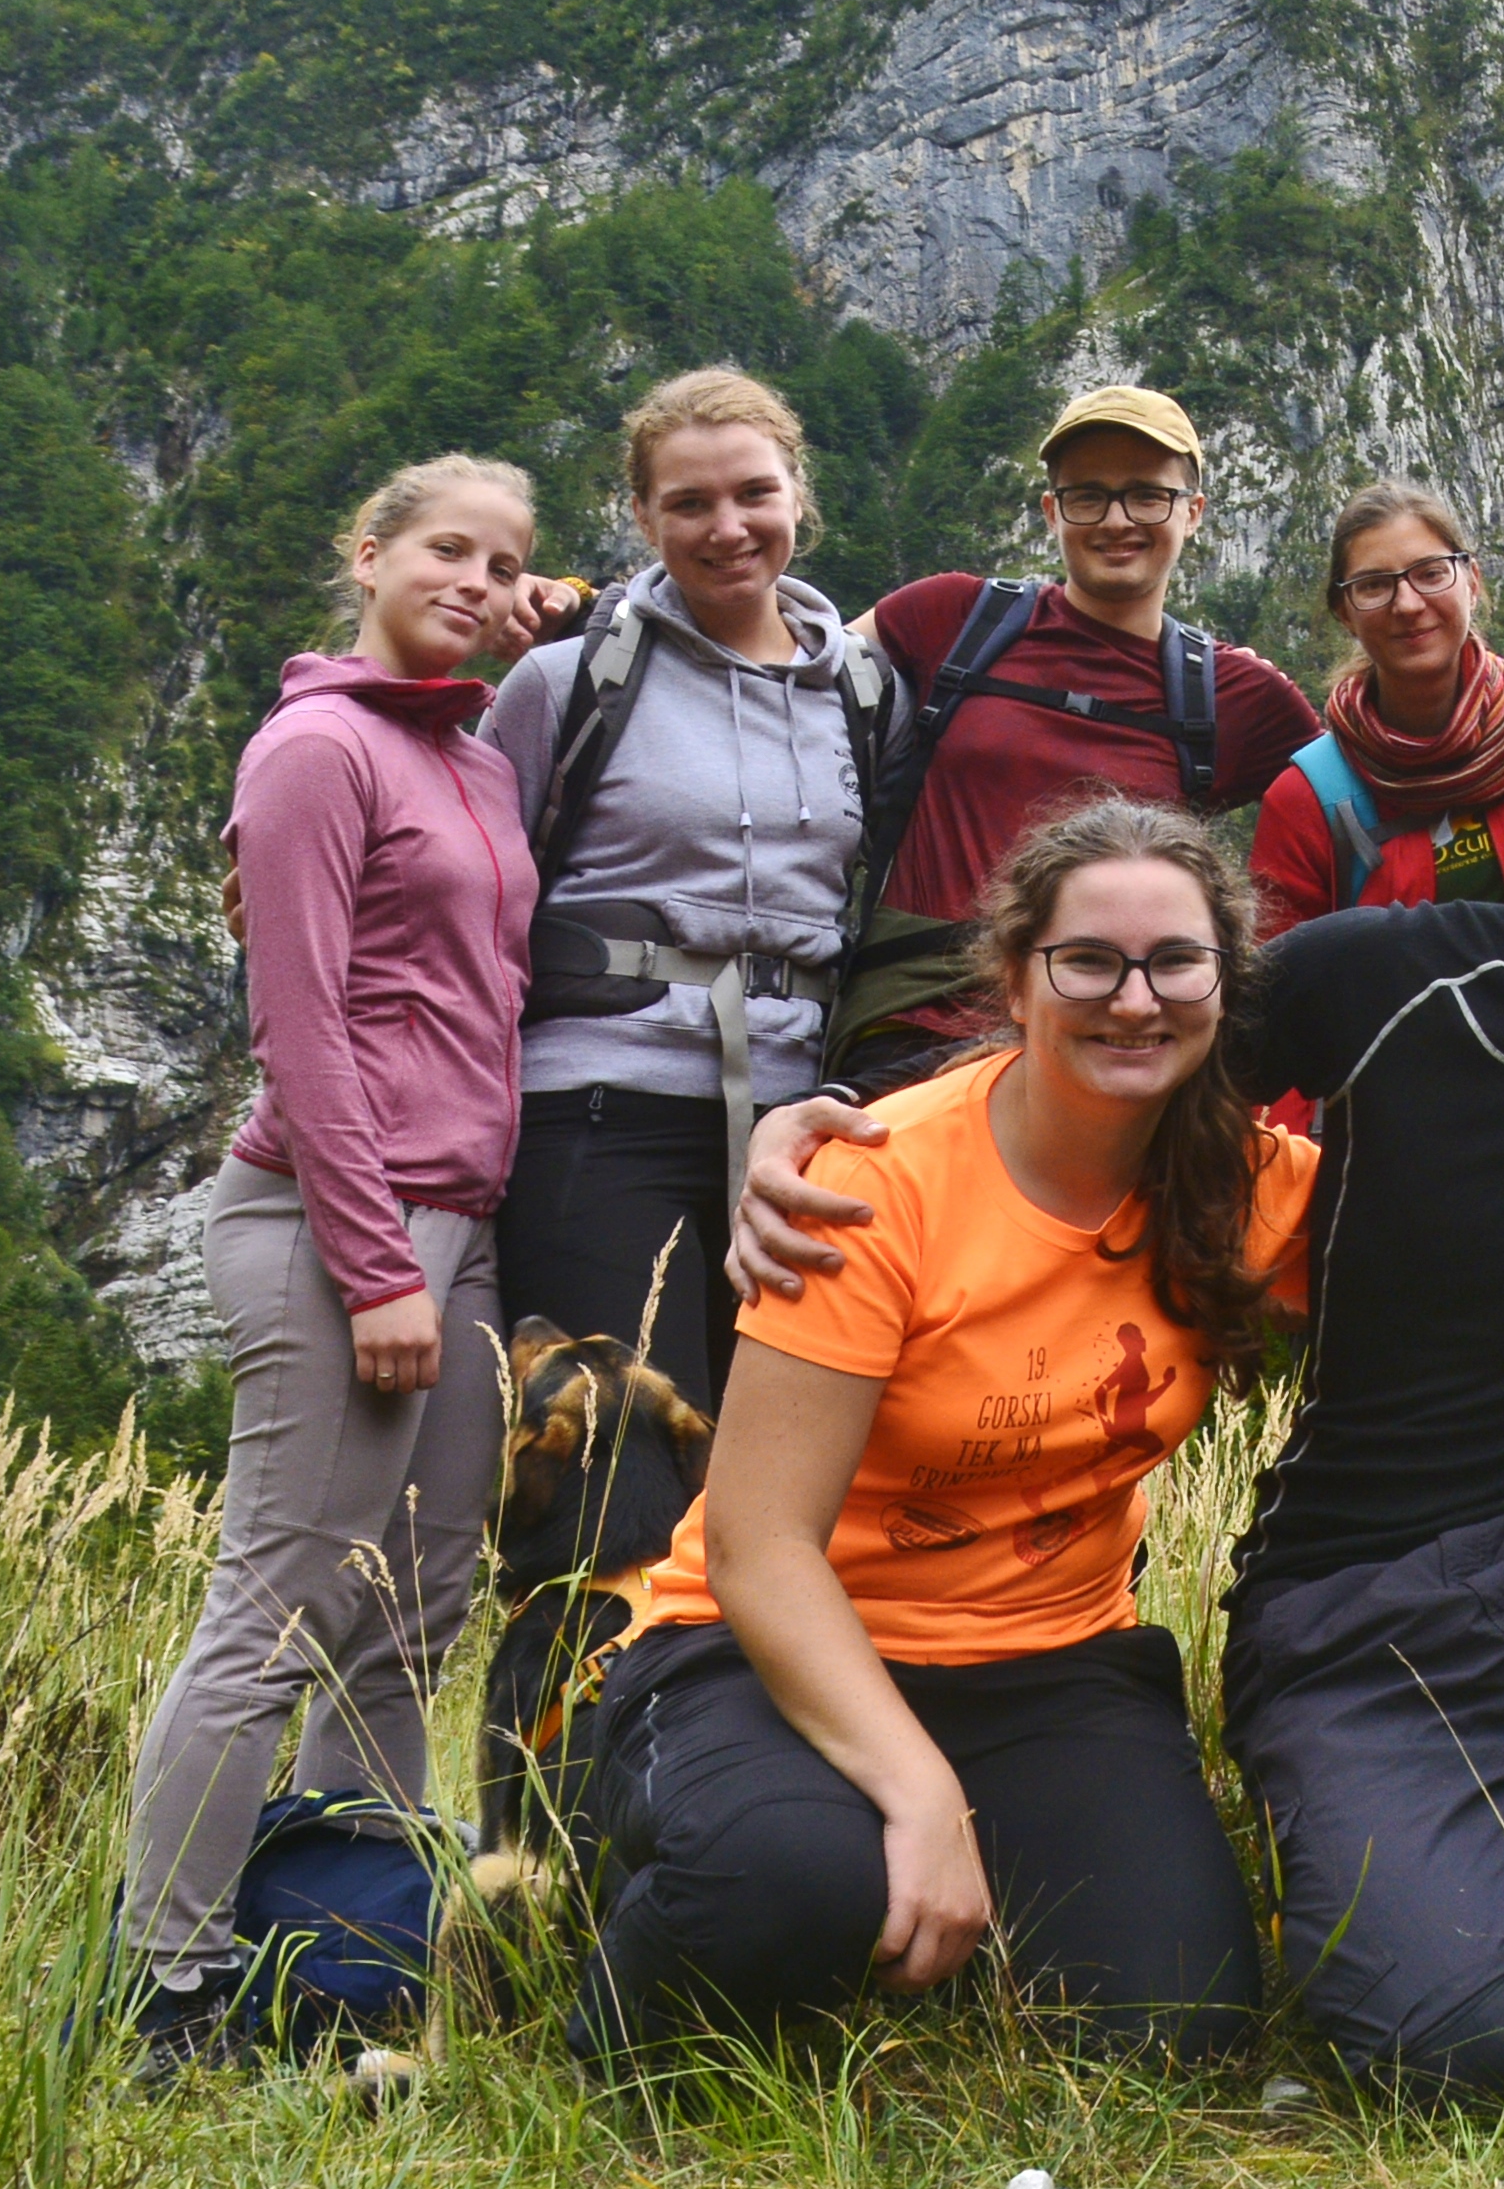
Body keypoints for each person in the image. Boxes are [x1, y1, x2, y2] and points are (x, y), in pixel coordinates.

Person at [744, 612, 1504, 2100]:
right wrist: (836, 1112)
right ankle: (1442, 1883)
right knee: (1472, 2051)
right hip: (1363, 1627)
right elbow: (1106, 1052)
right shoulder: (1386, 976)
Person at [577, 796, 1308, 2067]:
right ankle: (632, 1959)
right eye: (1087, 959)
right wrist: (920, 1793)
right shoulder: (871, 1177)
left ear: (1224, 981)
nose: (1135, 1000)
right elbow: (757, 1545)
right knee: (783, 1879)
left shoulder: (1254, 1185)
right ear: (1015, 978)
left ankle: (906, 1913)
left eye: (1176, 960)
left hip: (1048, 1662)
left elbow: (1481, 1185)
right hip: (764, 1649)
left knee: (1179, 2019)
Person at [115, 455, 541, 2065]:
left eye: (508, 566)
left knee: (412, 1605)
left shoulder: (477, 759)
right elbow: (297, 1028)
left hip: (466, 1219)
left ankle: (350, 1956)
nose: (481, 582)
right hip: (329, 1222)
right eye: (448, 550)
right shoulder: (313, 747)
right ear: (366, 554)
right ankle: (168, 1989)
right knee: (280, 1609)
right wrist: (377, 1269)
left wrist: (544, 604)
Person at [486, 367, 875, 1417]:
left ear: (798, 490)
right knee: (607, 1464)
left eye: (754, 492)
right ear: (642, 514)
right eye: (689, 503)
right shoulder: (571, 679)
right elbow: (461, 882)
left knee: (768, 1479)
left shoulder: (866, 691)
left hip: (799, 1129)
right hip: (596, 1105)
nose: (727, 527)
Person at [834, 385, 1319, 1092]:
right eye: (1087, 496)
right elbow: (792, 689)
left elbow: (1356, 794)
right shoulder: (950, 617)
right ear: (1052, 511)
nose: (1117, 520)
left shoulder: (1238, 697)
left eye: (1148, 495)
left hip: (1109, 1045)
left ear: (1194, 512)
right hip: (911, 1043)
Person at [1251, 483, 1504, 927]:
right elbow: (1280, 979)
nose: (1407, 605)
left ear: (1472, 581)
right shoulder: (1309, 800)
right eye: (1374, 586)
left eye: (1430, 573)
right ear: (1344, 611)